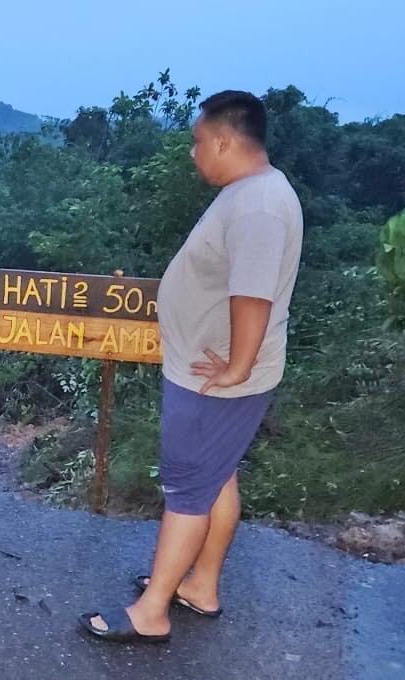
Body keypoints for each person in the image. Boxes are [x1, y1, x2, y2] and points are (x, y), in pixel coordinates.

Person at [80, 90, 303, 643]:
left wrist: (235, 368)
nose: (193, 152)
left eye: (198, 141)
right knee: (213, 475)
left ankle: (151, 610)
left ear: (226, 140)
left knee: (185, 488)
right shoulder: (252, 191)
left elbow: (253, 296)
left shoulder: (256, 207)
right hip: (210, 372)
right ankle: (200, 585)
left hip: (214, 382)